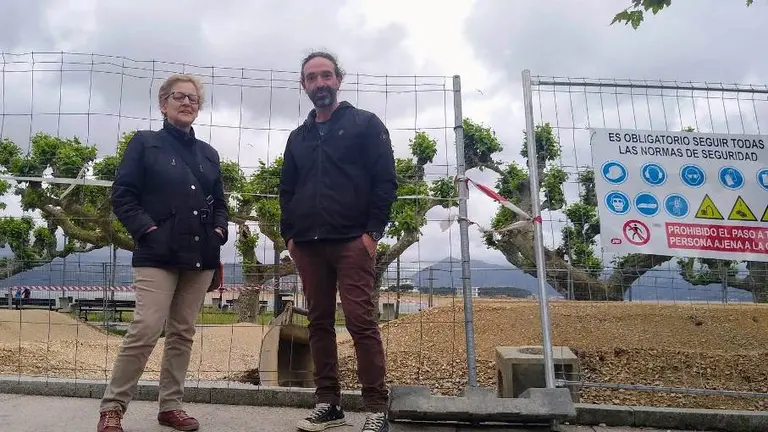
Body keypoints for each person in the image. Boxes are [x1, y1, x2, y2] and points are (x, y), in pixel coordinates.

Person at [97, 73, 229, 432]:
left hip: (200, 254)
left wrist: (219, 231)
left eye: (193, 99)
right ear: (163, 104)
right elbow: (123, 195)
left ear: (198, 108)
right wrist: (147, 230)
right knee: (146, 328)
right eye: (178, 97)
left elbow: (219, 201)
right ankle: (113, 408)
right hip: (157, 252)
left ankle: (171, 406)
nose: (186, 103)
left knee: (183, 332)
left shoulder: (208, 154)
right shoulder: (144, 144)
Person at [279, 51, 397, 432]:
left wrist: (372, 234)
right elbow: (286, 189)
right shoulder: (298, 137)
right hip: (308, 243)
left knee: (361, 322)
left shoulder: (365, 125)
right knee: (318, 322)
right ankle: (329, 403)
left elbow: (385, 182)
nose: (320, 84)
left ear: (339, 79)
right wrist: (290, 237)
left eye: (326, 75)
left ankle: (376, 406)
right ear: (304, 86)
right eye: (312, 78)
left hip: (351, 241)